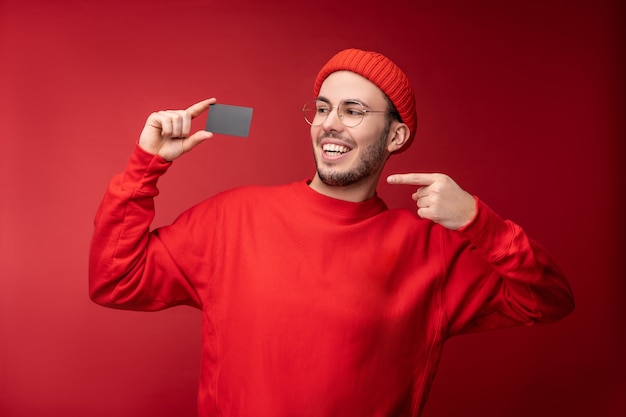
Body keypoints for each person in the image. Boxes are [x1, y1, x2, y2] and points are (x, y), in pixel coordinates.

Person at [89, 48, 575, 417]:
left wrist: (477, 220)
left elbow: (548, 299)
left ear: (396, 136)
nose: (330, 125)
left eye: (353, 111)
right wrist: (144, 165)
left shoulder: (432, 251)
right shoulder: (232, 218)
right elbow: (116, 280)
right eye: (322, 108)